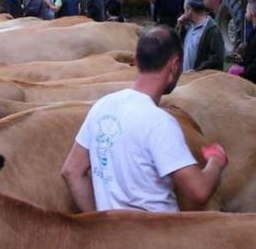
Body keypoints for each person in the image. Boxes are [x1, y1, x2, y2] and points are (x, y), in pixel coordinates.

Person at [61, 26, 228, 212]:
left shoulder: (102, 106)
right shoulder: (160, 122)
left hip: (113, 237)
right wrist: (216, 160)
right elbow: (199, 191)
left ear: (136, 61)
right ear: (174, 65)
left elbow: (71, 171)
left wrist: (100, 224)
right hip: (157, 238)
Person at [177, 0, 224, 71]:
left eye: (184, 10)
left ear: (189, 10)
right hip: (187, 77)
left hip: (200, 79)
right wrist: (180, 26)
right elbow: (178, 44)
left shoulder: (213, 30)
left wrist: (197, 70)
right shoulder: (189, 25)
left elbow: (217, 58)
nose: (183, 13)